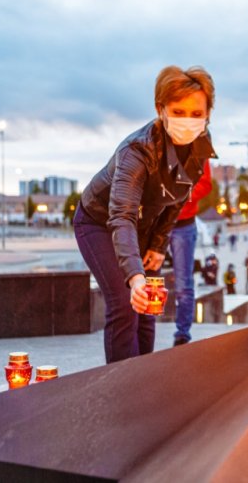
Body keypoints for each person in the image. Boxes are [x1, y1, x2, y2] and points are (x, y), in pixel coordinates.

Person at [73, 65, 217, 363]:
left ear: (208, 114)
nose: (188, 121)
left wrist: (158, 246)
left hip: (146, 228)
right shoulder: (137, 151)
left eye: (196, 113)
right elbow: (121, 215)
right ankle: (121, 387)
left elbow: (177, 198)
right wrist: (135, 276)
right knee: (127, 302)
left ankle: (143, 380)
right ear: (160, 109)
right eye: (178, 112)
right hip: (100, 222)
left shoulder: (200, 146)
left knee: (151, 305)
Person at [168, 162, 213, 346]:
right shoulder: (156, 142)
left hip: (183, 224)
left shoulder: (197, 147)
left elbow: (205, 184)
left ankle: (182, 334)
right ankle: (143, 329)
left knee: (183, 283)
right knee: (147, 278)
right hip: (155, 221)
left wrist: (180, 196)